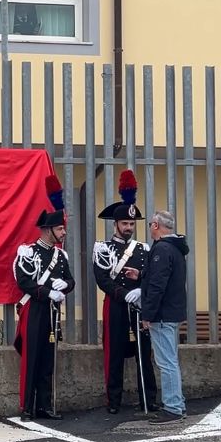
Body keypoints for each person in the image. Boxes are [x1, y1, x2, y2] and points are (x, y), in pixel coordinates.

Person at [92, 170, 157, 414]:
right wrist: (122, 293)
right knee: (114, 354)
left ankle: (148, 399)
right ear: (116, 224)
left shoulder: (143, 248)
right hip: (116, 305)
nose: (129, 227)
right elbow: (102, 280)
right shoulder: (102, 248)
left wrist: (140, 289)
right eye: (125, 224)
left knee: (144, 353)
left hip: (139, 305)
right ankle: (114, 401)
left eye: (132, 224)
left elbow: (151, 275)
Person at [13, 175, 74, 421]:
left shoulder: (62, 256)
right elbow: (23, 281)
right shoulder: (28, 251)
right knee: (32, 359)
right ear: (48, 230)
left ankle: (45, 406)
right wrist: (49, 291)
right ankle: (27, 407)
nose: (63, 232)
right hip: (35, 311)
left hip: (53, 313)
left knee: (49, 359)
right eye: (60, 229)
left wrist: (65, 286)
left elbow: (70, 280)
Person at [138, 210, 188, 424]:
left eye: (151, 224)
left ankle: (173, 407)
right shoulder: (175, 248)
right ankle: (178, 403)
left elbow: (158, 285)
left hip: (162, 314)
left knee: (166, 362)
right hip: (172, 312)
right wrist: (140, 275)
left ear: (156, 226)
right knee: (171, 360)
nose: (149, 227)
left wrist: (147, 314)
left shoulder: (161, 249)